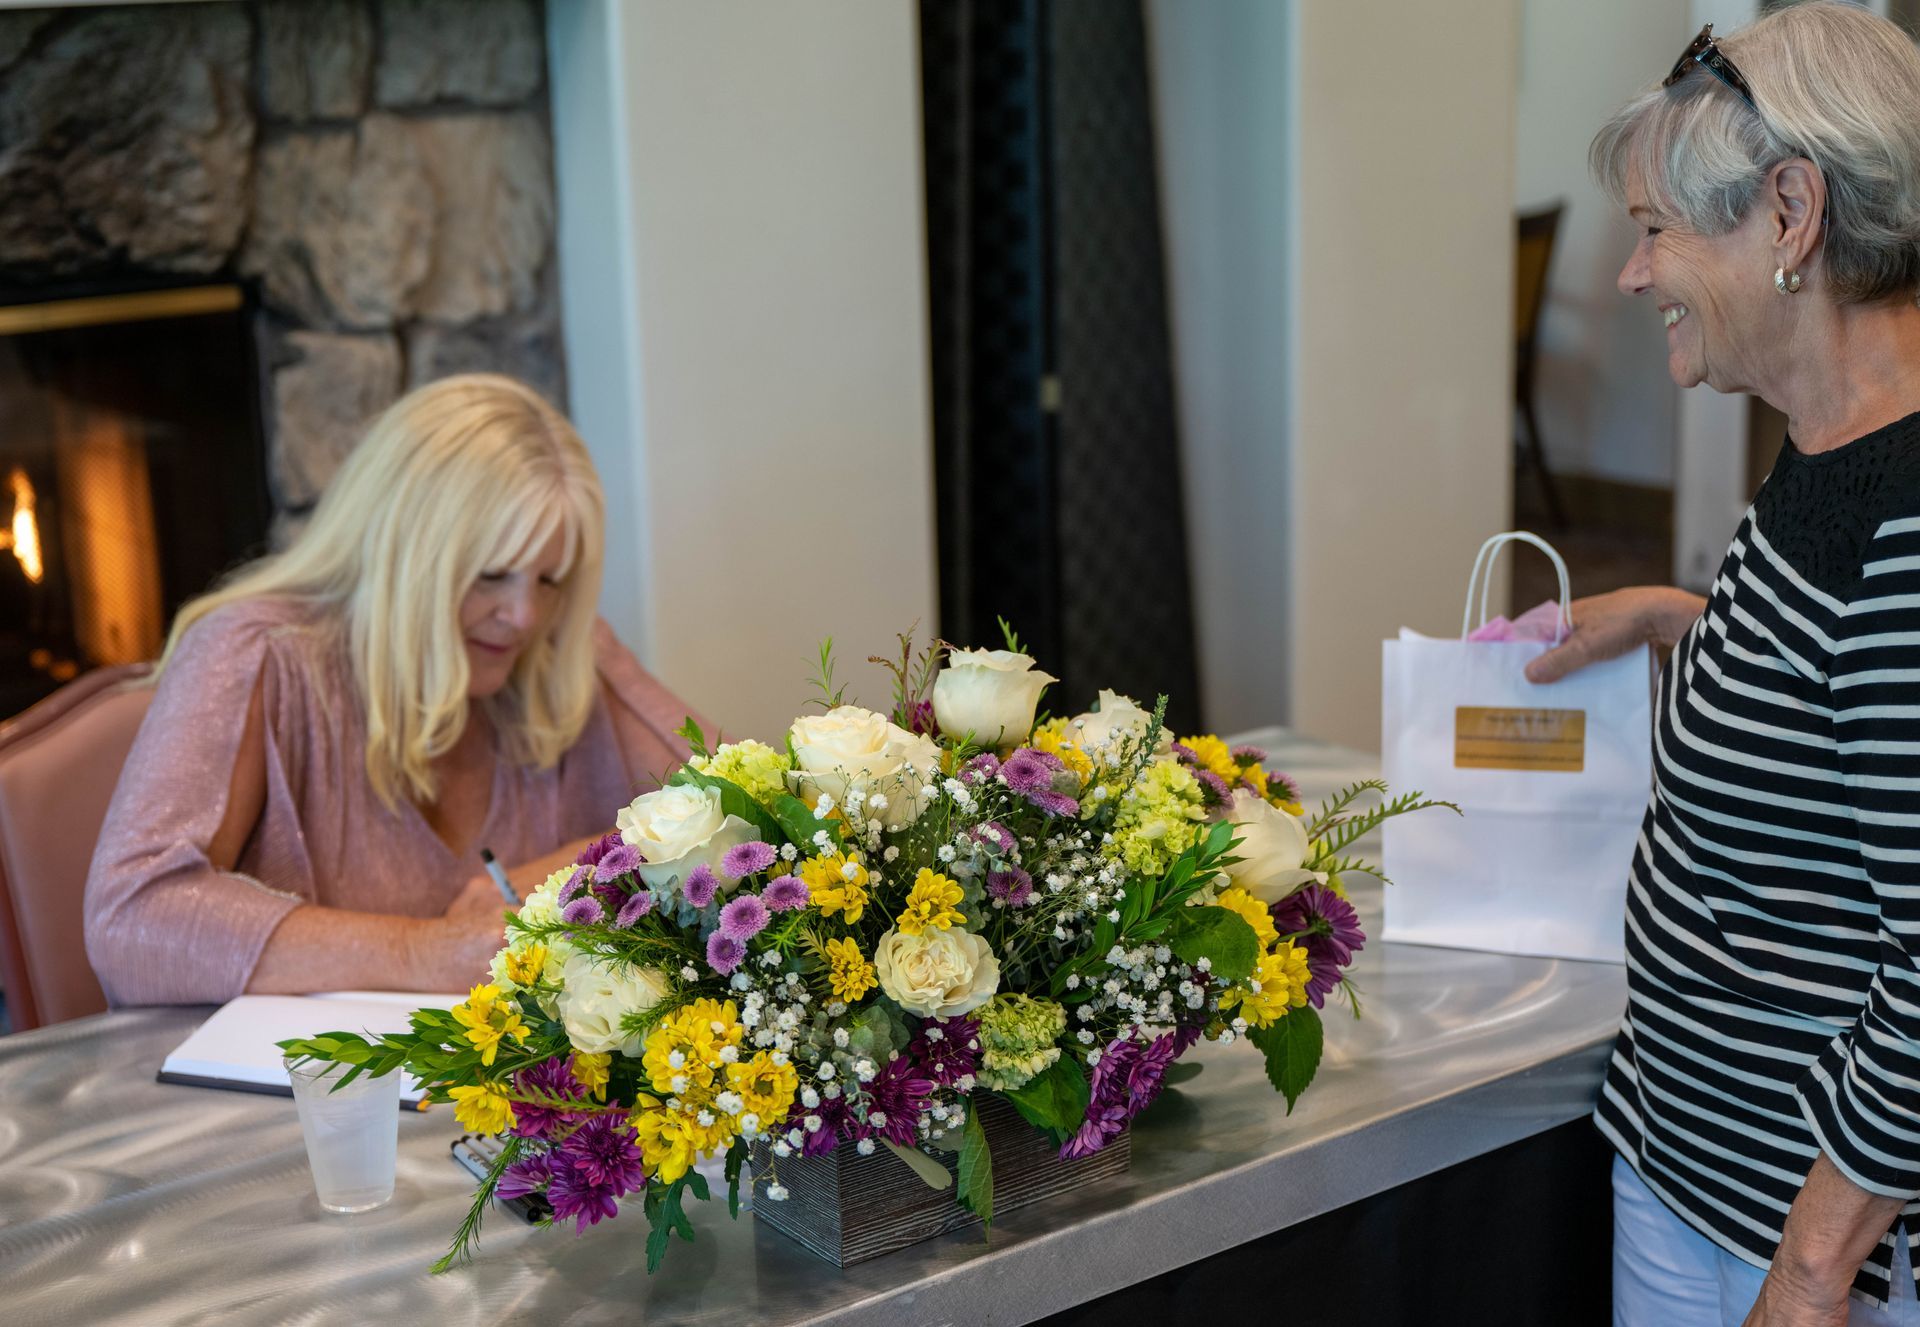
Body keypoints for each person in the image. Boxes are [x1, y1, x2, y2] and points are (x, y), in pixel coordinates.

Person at [1527, 6, 1920, 1324]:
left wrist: (1809, 1272)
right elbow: (1848, 696)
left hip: (1794, 1237)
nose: (1634, 275)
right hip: (1695, 1156)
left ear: (1791, 214)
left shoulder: (1903, 512)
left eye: (1654, 228)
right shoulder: (1829, 441)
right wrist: (1683, 614)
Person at [85, 374, 695, 1003]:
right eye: (491, 575)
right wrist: (427, 953)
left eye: (551, 579)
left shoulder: (560, 649)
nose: (525, 616)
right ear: (405, 556)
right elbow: (131, 918)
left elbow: (753, 817)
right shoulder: (257, 654)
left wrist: (556, 873)